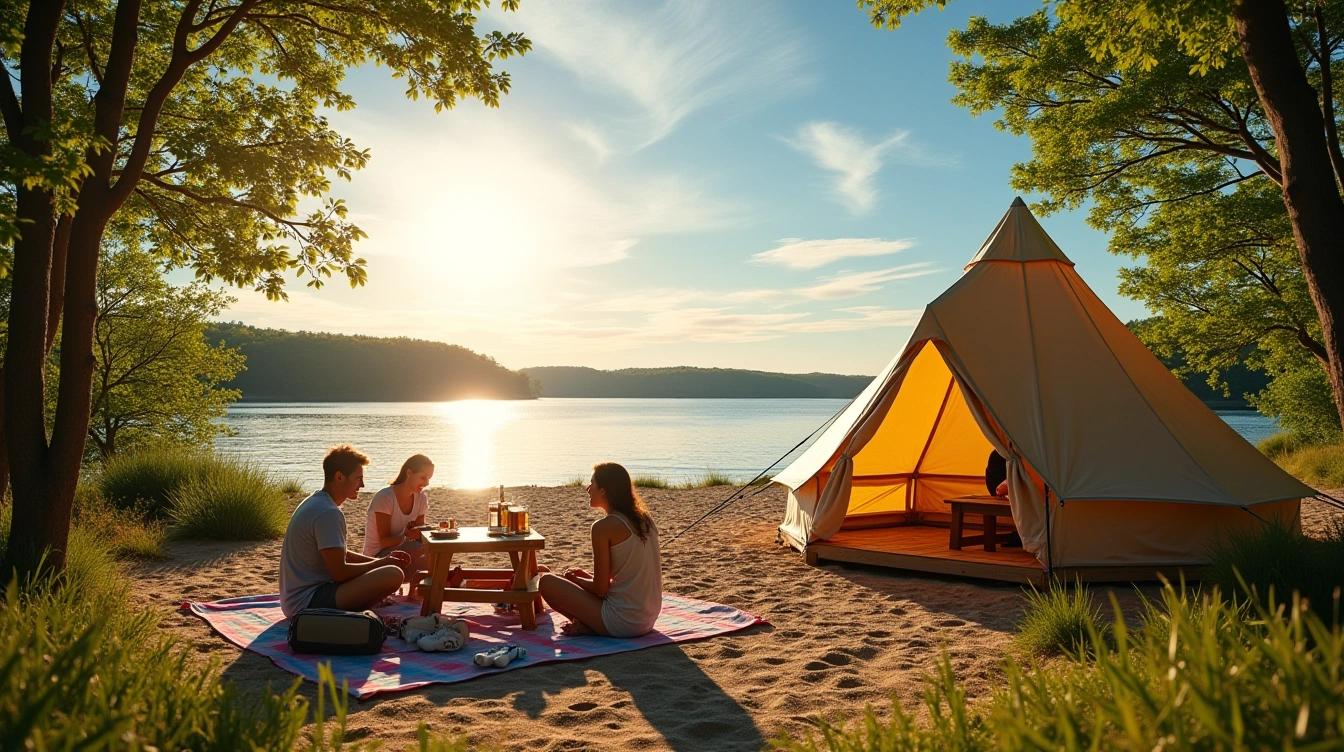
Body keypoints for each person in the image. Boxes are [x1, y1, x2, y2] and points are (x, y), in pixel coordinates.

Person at [278, 444, 408, 618]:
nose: (362, 485)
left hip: (294, 600)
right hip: (306, 603)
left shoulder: (317, 502)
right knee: (393, 574)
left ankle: (356, 607)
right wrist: (380, 564)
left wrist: (383, 560)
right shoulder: (328, 513)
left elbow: (342, 554)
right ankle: (351, 612)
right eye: (358, 478)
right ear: (339, 477)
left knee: (387, 569)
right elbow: (339, 573)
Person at [539, 462, 662, 637]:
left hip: (624, 621)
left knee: (546, 581)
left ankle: (591, 626)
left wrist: (576, 579)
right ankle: (588, 625)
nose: (588, 489)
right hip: (647, 619)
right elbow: (626, 574)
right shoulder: (644, 519)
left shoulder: (603, 527)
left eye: (592, 484)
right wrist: (584, 578)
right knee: (565, 580)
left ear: (603, 490)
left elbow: (600, 589)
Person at [363, 453, 434, 571]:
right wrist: (406, 536)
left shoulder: (421, 499)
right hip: (376, 557)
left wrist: (430, 531)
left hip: (406, 550)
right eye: (423, 477)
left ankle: (419, 587)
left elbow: (418, 535)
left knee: (434, 553)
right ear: (409, 473)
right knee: (422, 551)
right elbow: (384, 542)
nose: (427, 483)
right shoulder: (385, 497)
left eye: (429, 479)